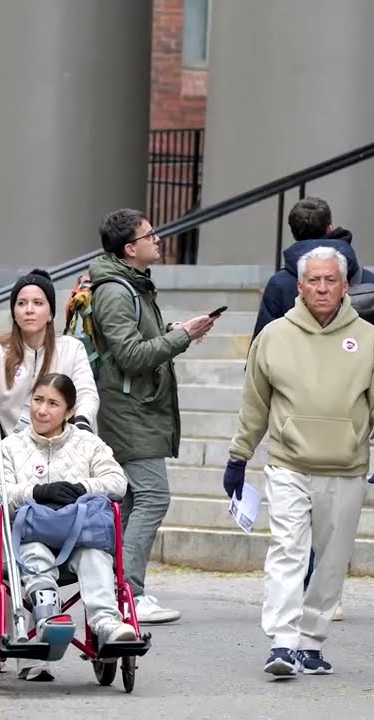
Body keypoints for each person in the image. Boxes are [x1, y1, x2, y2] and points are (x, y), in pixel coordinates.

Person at [224, 245, 374, 678]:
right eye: (314, 280)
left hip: (345, 467)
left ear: (345, 286)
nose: (322, 288)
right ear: (300, 286)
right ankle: (283, 641)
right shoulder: (273, 337)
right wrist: (239, 456)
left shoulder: (369, 339)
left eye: (330, 280)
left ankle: (311, 642)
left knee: (331, 560)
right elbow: (254, 404)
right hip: (289, 463)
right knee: (287, 550)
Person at [89, 208, 215, 624]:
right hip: (129, 411)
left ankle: (113, 592)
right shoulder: (116, 290)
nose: (158, 240)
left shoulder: (132, 284)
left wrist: (174, 331)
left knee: (128, 502)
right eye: (150, 235)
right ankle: (129, 593)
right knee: (153, 496)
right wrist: (182, 337)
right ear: (130, 248)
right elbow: (129, 355)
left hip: (136, 407)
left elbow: (134, 342)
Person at [0, 373, 137, 682]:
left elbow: (118, 482)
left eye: (53, 404)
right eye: (37, 400)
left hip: (78, 535)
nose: (42, 410)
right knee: (35, 553)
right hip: (28, 535)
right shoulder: (10, 446)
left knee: (95, 555)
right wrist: (37, 492)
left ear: (70, 411)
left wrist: (82, 487)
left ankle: (106, 622)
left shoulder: (88, 444)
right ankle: (48, 616)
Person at [0, 268, 99, 448]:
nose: (29, 310)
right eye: (21, 303)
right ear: (14, 312)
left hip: (59, 446)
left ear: (50, 314)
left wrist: (83, 420)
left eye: (38, 303)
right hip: (5, 449)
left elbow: (86, 393)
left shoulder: (72, 349)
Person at [252, 196, 374, 352]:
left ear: (294, 234)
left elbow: (261, 350)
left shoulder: (279, 284)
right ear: (330, 227)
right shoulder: (368, 280)